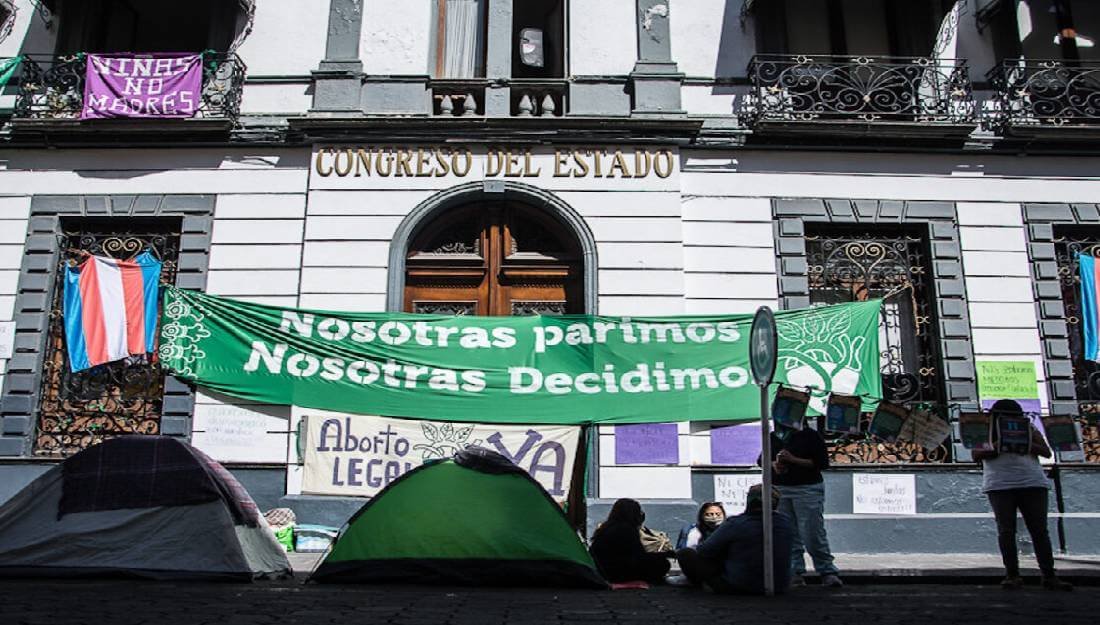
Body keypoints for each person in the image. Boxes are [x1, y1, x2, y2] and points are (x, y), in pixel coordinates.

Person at [973, 399, 1073, 591]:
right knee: (1006, 530)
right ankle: (1012, 574)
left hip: (1031, 482)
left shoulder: (1030, 429)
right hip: (1000, 484)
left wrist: (1025, 442)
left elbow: (1045, 451)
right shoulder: (985, 431)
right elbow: (976, 455)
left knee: (1039, 530)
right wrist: (998, 444)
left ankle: (1049, 575)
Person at [676, 484, 793, 594]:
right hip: (779, 585)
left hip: (738, 585)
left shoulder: (736, 523)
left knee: (685, 554)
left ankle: (704, 585)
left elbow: (705, 550)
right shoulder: (786, 522)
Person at [766, 423, 842, 588]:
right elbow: (761, 459)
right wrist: (774, 464)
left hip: (806, 488)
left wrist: (793, 460)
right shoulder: (774, 436)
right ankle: (795, 571)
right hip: (781, 488)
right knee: (789, 532)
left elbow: (822, 463)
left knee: (812, 531)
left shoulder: (810, 436)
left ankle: (826, 570)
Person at [588, 498, 672, 584]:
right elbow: (639, 557)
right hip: (616, 572)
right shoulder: (627, 530)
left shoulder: (607, 527)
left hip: (603, 569)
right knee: (663, 564)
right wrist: (665, 554)